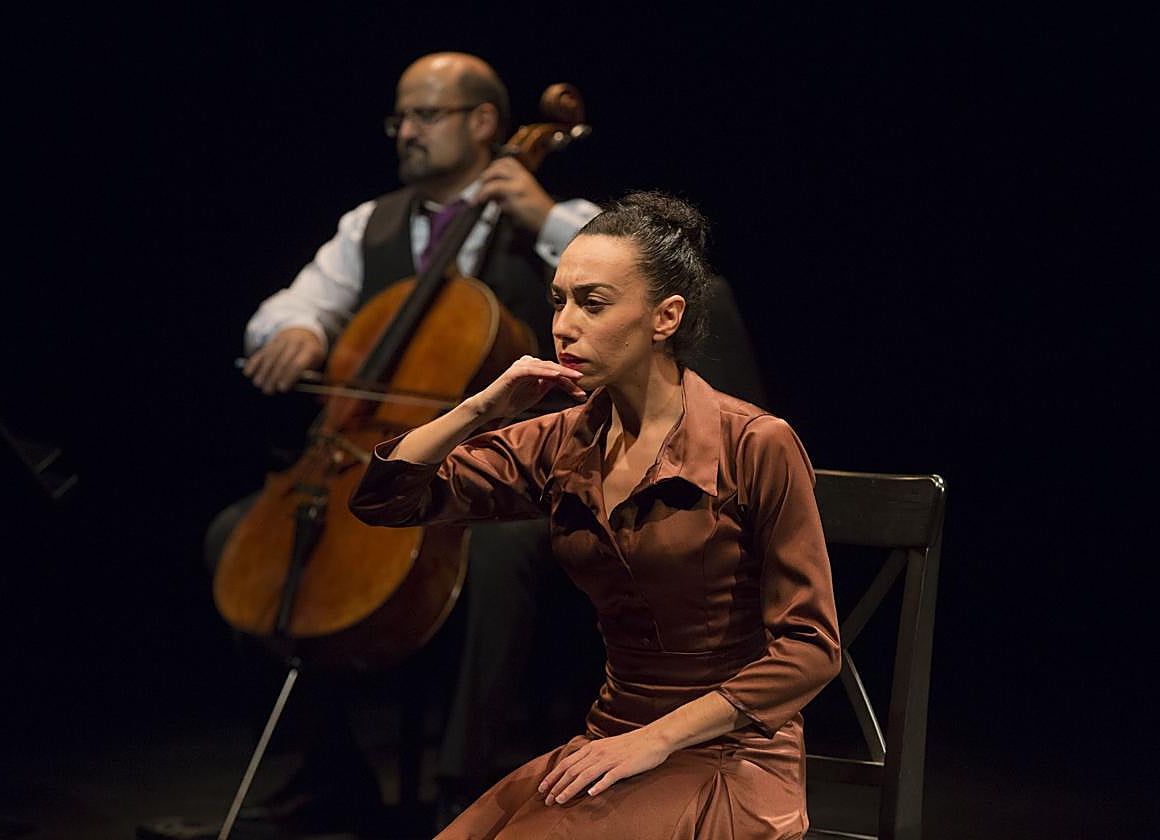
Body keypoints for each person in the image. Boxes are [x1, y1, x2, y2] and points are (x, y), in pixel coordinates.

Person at [349, 191, 841, 839]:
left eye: (594, 303)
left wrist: (654, 741)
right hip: (608, 746)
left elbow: (811, 651)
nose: (565, 323)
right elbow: (388, 499)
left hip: (727, 754)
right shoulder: (562, 441)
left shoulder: (754, 444)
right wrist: (480, 409)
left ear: (665, 318)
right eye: (559, 300)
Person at [198, 51, 600, 833]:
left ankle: (469, 788)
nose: (406, 132)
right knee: (234, 539)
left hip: (509, 477)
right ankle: (325, 773)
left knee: (495, 551)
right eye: (400, 118)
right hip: (376, 458)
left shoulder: (555, 215)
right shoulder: (371, 223)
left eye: (425, 115)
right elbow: (283, 308)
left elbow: (638, 276)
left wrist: (545, 215)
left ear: (484, 123)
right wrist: (302, 329)